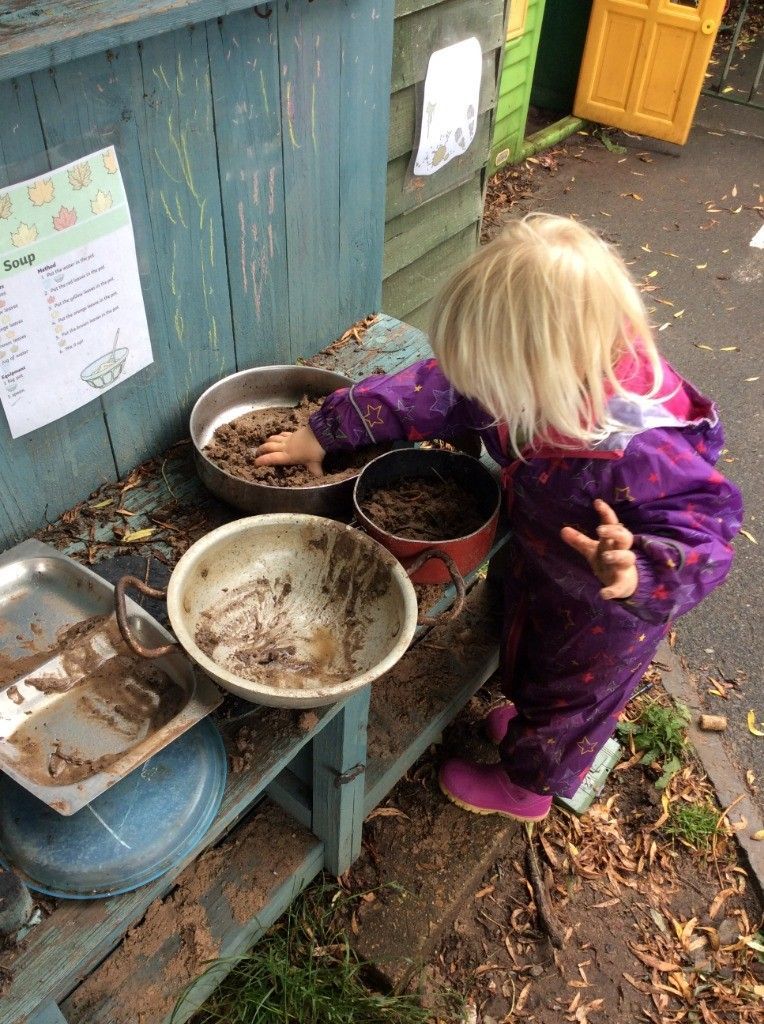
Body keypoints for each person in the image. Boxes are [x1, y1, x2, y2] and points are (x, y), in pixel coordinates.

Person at [255, 213, 743, 823]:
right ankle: (529, 713)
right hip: (542, 561)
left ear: (543, 370)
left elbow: (710, 532)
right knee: (528, 651)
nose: (477, 389)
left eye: (491, 378)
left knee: (571, 699)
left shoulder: (641, 446)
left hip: (605, 611)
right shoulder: (523, 373)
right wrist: (328, 432)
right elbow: (432, 390)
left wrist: (641, 565)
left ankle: (529, 787)